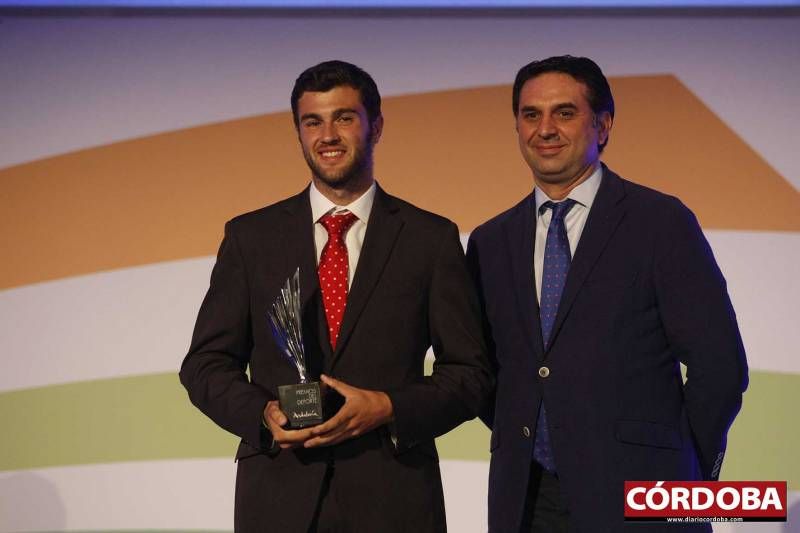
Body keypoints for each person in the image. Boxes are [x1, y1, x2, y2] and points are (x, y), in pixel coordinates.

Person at [179, 60, 492, 533]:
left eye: (344, 118)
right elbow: (204, 366)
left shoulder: (430, 239)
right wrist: (262, 415)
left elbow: (470, 373)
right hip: (278, 500)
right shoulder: (251, 238)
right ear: (299, 133)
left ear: (377, 125)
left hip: (395, 500)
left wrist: (388, 407)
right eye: (313, 122)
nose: (328, 135)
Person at [466, 55, 748, 532]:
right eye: (530, 115)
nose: (545, 129)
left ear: (603, 125)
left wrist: (682, 468)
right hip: (527, 499)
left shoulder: (660, 222)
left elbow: (719, 367)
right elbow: (483, 370)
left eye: (564, 112)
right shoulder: (490, 241)